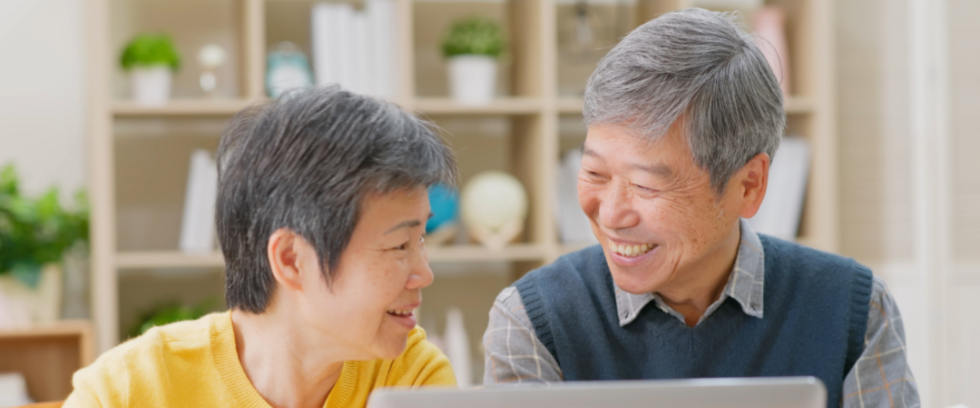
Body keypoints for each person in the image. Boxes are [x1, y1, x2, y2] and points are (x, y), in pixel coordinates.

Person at [482, 9, 918, 408]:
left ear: (748, 185)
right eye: (594, 174)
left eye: (646, 184)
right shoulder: (532, 320)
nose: (612, 214)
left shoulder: (854, 310)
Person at [66, 86, 458, 407]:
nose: (425, 272)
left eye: (420, 238)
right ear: (291, 259)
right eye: (399, 245)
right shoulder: (127, 391)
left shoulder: (411, 381)